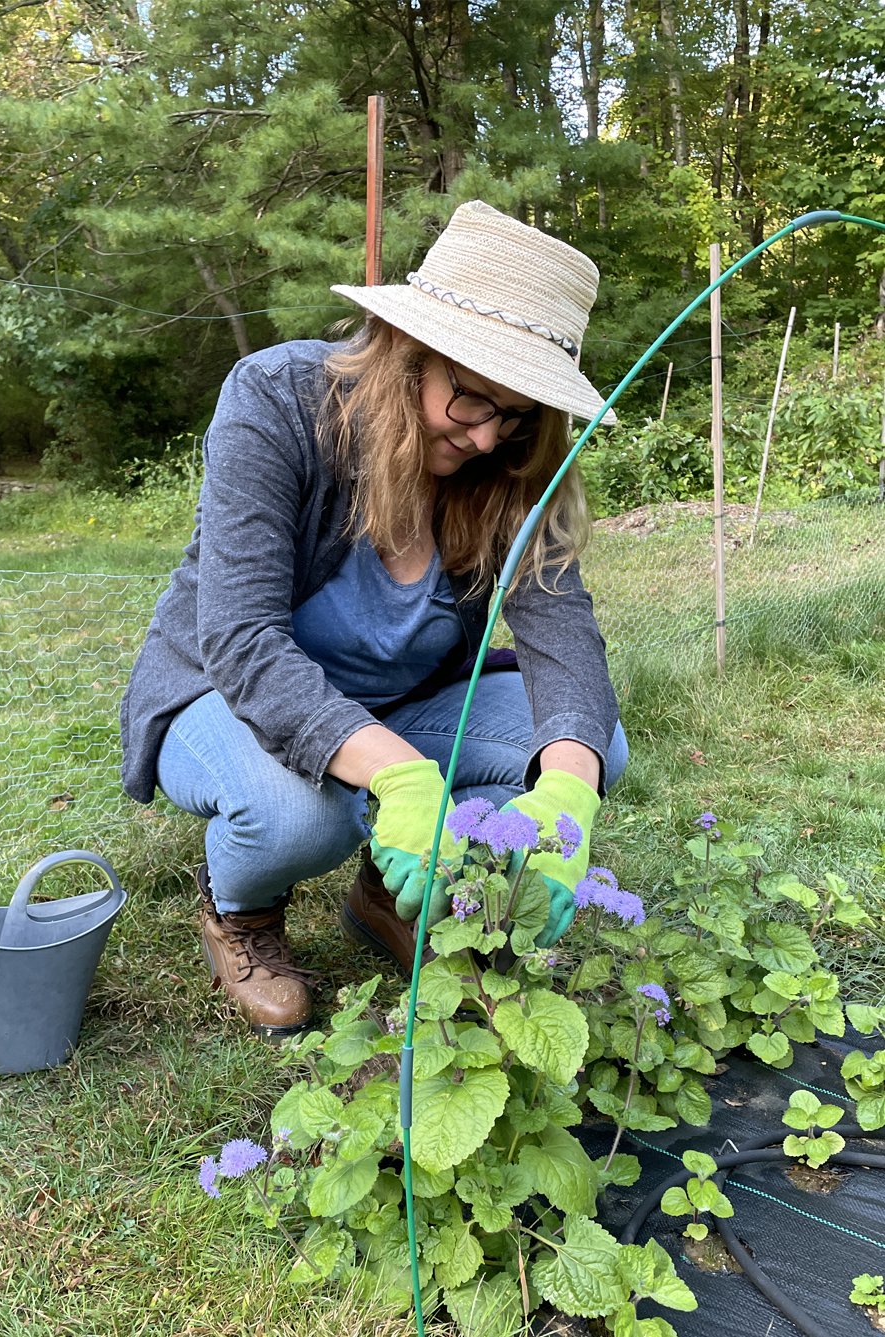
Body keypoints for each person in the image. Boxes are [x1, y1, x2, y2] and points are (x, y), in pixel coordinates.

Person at [120, 200, 626, 1037]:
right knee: (305, 815)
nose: (488, 437)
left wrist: (568, 796)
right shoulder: (277, 401)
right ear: (407, 351)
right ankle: (241, 910)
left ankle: (391, 893)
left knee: (587, 742)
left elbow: (564, 639)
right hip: (227, 695)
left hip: (400, 706)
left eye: (516, 415)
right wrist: (400, 775)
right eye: (473, 399)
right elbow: (242, 641)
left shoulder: (507, 466)